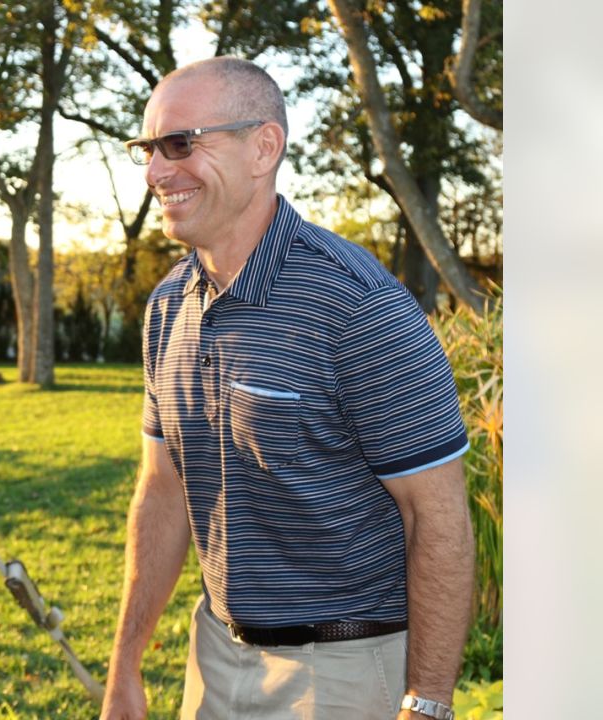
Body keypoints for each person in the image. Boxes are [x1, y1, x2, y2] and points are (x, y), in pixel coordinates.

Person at [100, 57, 475, 720]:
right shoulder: (166, 308)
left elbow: (438, 518)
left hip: (342, 677)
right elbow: (162, 490)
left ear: (263, 148)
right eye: (149, 149)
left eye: (182, 144)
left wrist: (427, 705)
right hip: (212, 658)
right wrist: (126, 664)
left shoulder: (359, 308)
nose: (157, 172)